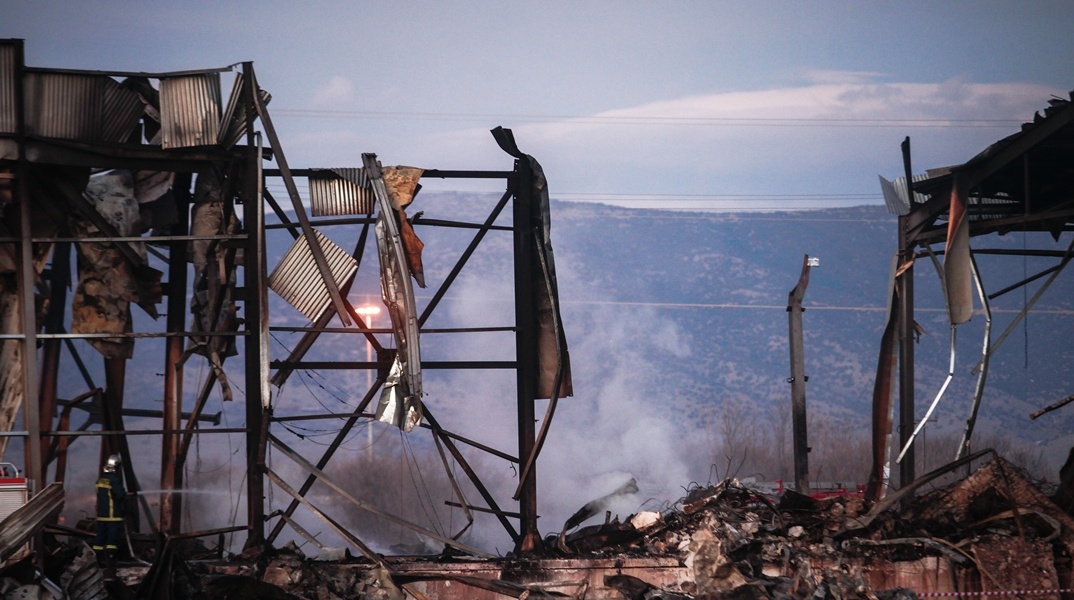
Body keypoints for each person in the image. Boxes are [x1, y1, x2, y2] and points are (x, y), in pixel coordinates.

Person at [93, 454, 125, 565]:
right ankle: (110, 560)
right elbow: (120, 495)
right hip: (113, 516)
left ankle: (98, 559)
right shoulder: (113, 480)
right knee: (112, 540)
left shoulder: (100, 480)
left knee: (100, 538)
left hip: (101, 516)